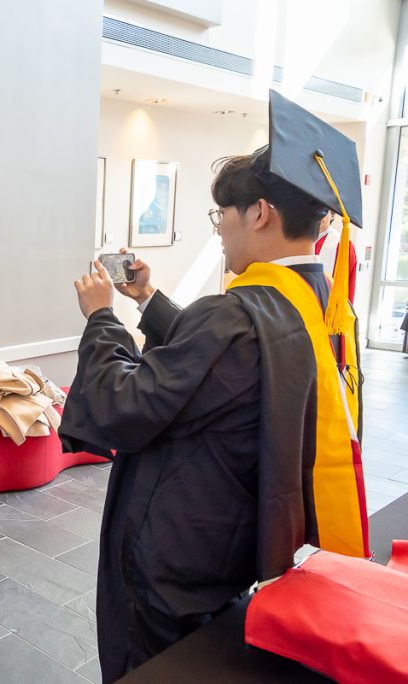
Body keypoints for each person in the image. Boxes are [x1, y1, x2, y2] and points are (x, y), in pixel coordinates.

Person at [59, 90, 368, 682]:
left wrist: (101, 318)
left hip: (173, 548)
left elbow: (123, 405)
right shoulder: (316, 305)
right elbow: (222, 372)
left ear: (259, 213)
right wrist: (149, 300)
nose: (220, 231)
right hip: (234, 537)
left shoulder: (233, 314)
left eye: (221, 215)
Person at [316, 210, 358, 303]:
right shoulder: (295, 241)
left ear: (332, 216)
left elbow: (348, 283)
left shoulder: (343, 246)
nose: (318, 213)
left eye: (324, 209)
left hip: (329, 309)